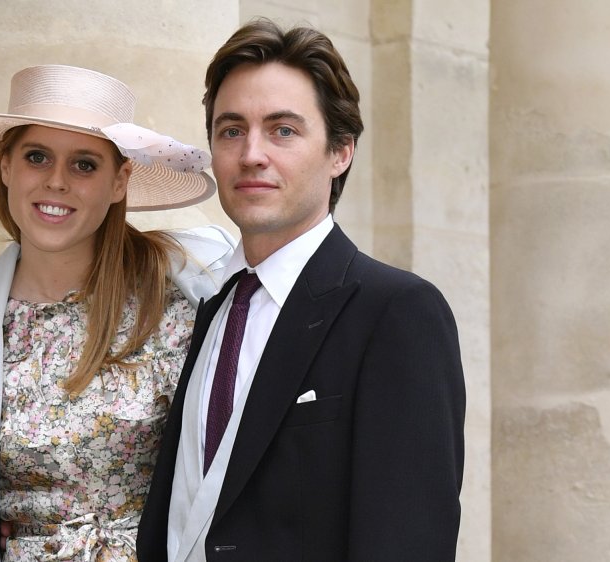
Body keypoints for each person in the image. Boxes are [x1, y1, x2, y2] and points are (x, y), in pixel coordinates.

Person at [0, 64, 234, 562]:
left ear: (120, 181)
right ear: (5, 166)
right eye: (37, 157)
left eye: (84, 165)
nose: (56, 182)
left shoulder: (183, 302)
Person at [137, 19, 466, 561]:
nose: (252, 154)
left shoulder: (397, 312)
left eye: (283, 130)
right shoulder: (213, 306)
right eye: (231, 130)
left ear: (341, 152)